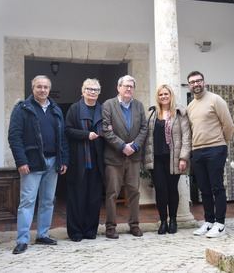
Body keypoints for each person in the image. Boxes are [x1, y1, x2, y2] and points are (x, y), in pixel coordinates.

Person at [8, 75, 69, 254]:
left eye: (45, 87)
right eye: (39, 87)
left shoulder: (55, 109)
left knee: (48, 201)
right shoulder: (22, 108)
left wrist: (63, 159)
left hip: (53, 162)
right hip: (32, 163)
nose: (42, 90)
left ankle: (42, 235)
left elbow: (62, 137)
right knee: (27, 202)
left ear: (49, 89)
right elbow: (14, 137)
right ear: (32, 88)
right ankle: (22, 240)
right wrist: (21, 161)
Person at [186, 71, 234, 238]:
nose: (196, 84)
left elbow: (228, 125)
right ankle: (209, 221)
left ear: (204, 82)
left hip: (215, 149)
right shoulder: (190, 107)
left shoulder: (215, 100)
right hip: (197, 151)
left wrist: (221, 143)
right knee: (204, 189)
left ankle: (220, 224)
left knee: (216, 187)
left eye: (199, 80)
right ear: (189, 86)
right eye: (192, 82)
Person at [102, 75, 147, 239]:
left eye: (131, 86)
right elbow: (106, 130)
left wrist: (134, 146)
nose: (129, 89)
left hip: (133, 158)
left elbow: (144, 128)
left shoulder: (139, 106)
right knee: (112, 193)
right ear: (118, 87)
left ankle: (134, 225)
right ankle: (110, 227)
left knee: (134, 192)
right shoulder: (108, 105)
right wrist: (122, 146)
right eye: (126, 86)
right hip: (114, 158)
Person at [144, 85, 191, 234]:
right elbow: (146, 137)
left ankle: (173, 220)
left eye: (166, 94)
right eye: (161, 94)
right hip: (156, 159)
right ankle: (163, 221)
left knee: (172, 190)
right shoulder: (152, 114)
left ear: (171, 96)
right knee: (160, 190)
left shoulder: (179, 113)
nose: (163, 96)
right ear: (157, 97)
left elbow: (186, 137)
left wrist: (183, 158)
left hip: (174, 158)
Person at [65, 78, 104, 242]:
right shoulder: (74, 109)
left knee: (94, 198)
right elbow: (67, 130)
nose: (92, 92)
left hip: (97, 161)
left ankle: (90, 230)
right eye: (89, 89)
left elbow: (108, 129)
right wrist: (86, 135)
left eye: (95, 90)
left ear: (99, 92)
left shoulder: (103, 109)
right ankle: (75, 232)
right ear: (82, 91)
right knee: (77, 198)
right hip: (79, 160)